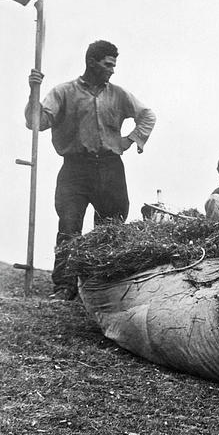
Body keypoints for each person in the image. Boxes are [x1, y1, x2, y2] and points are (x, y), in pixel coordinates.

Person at [25, 40, 156, 300]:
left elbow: (148, 115)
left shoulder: (119, 94)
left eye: (114, 65)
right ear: (92, 63)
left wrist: (131, 140)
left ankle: (101, 288)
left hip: (110, 168)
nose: (112, 70)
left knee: (111, 228)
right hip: (75, 169)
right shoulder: (63, 92)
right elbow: (36, 122)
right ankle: (65, 287)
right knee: (69, 227)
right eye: (108, 64)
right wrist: (34, 92)